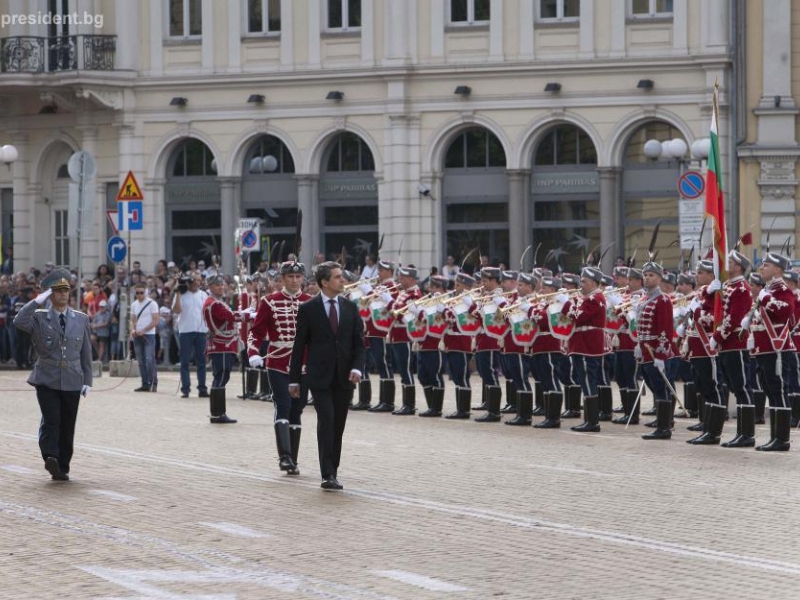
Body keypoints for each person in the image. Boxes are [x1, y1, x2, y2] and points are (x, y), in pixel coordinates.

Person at [289, 261, 366, 491]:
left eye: (342, 277)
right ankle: (327, 474)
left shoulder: (350, 308)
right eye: (337, 277)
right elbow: (299, 345)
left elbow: (360, 345)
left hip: (345, 377)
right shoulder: (309, 308)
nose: (342, 280)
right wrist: (294, 379)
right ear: (324, 282)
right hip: (319, 376)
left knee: (338, 425)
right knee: (327, 420)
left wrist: (357, 368)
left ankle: (334, 468)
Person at [13, 268, 93, 481]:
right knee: (52, 419)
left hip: (73, 379)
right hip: (46, 378)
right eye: (57, 291)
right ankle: (50, 456)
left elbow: (86, 352)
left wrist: (88, 380)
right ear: (50, 294)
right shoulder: (39, 317)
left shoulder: (81, 319)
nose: (63, 294)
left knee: (68, 424)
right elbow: (19, 321)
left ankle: (63, 466)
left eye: (66, 290)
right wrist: (37, 300)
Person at [248, 261, 312, 474]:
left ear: (302, 278)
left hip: (303, 364)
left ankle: (293, 458)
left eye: (298, 277)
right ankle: (284, 456)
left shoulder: (310, 302)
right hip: (278, 361)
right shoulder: (269, 302)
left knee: (298, 408)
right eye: (290, 277)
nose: (294, 281)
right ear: (282, 279)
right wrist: (254, 352)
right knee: (282, 404)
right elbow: (255, 332)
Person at [203, 274, 248, 424]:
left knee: (221, 377)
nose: (221, 287)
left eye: (222, 285)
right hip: (222, 344)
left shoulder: (215, 301)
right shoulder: (214, 304)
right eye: (217, 285)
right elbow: (230, 316)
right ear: (210, 287)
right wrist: (249, 315)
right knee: (221, 377)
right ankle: (217, 413)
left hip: (223, 344)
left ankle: (218, 413)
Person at [172, 273, 209, 398]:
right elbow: (176, 310)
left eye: (198, 280)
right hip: (185, 331)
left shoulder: (204, 295)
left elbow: (208, 313)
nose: (195, 282)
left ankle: (202, 388)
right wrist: (177, 292)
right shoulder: (181, 294)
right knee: (185, 361)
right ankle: (185, 389)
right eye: (193, 280)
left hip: (201, 332)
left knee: (201, 361)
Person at [130, 282, 159, 392]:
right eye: (137, 293)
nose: (139, 295)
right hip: (137, 335)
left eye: (141, 292)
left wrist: (144, 330)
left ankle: (153, 382)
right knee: (141, 361)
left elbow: (156, 320)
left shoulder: (152, 303)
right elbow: (133, 319)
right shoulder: (134, 304)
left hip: (149, 335)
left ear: (145, 292)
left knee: (149, 359)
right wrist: (133, 329)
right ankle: (145, 383)